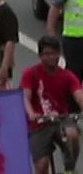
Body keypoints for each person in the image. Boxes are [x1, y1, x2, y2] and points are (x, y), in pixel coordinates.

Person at [23, 36, 83, 174]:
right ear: (40, 56)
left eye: (54, 53)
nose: (51, 57)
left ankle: (69, 169)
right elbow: (25, 97)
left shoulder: (67, 76)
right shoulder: (30, 73)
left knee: (72, 134)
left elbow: (78, 94)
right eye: (47, 54)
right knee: (42, 165)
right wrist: (31, 113)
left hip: (60, 119)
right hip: (39, 123)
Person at [49, 0, 83, 83]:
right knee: (73, 78)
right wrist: (51, 32)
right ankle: (72, 104)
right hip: (72, 39)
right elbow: (56, 6)